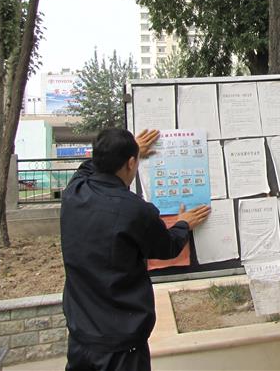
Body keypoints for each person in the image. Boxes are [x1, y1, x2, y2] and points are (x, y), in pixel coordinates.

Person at [61, 128, 211, 371]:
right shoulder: (135, 210)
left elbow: (86, 167)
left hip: (81, 337)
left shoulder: (74, 191)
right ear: (131, 163)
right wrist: (183, 224)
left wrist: (129, 150)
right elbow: (167, 247)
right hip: (122, 345)